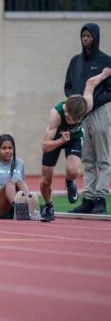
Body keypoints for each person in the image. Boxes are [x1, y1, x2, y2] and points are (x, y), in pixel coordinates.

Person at [40, 67, 111, 221]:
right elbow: (45, 145)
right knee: (46, 179)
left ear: (81, 116)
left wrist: (104, 74)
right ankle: (48, 205)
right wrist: (60, 140)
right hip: (56, 138)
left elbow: (90, 83)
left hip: (74, 136)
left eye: (71, 118)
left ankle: (69, 180)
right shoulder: (56, 114)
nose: (68, 118)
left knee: (73, 171)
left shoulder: (87, 105)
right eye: (67, 116)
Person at [65, 23, 111, 215]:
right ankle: (89, 198)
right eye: (83, 36)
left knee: (102, 158)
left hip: (98, 113)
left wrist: (93, 103)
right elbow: (68, 86)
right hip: (79, 117)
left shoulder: (106, 61)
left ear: (96, 37)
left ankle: (101, 198)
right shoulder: (75, 61)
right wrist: (77, 105)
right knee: (87, 159)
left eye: (89, 36)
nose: (85, 39)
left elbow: (109, 90)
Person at [0, 134, 36, 219]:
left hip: (13, 209)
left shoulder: (19, 163)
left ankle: (28, 208)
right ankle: (18, 208)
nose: (8, 151)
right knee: (10, 182)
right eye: (4, 148)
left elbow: (21, 187)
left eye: (10, 148)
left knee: (20, 182)